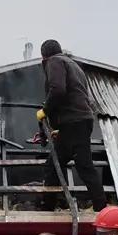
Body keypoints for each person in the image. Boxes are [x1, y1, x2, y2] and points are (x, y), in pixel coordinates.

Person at [38, 40, 107, 212]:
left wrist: (45, 110)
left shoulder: (54, 61)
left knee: (83, 166)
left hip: (73, 122)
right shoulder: (73, 65)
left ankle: (101, 208)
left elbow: (58, 90)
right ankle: (49, 206)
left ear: (44, 56)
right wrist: (57, 127)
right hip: (78, 122)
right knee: (55, 165)